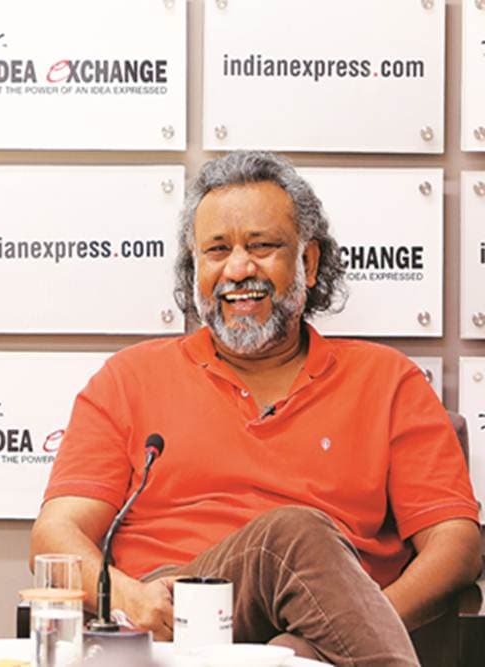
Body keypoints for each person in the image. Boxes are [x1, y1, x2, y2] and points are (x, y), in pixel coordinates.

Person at [31, 151, 481, 666]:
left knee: (293, 643)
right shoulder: (129, 377)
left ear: (308, 263)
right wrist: (128, 598)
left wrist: (346, 625)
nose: (239, 269)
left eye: (262, 246)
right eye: (217, 250)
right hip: (178, 614)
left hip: (326, 621)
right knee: (290, 536)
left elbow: (456, 543)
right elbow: (54, 535)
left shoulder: (388, 379)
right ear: (196, 267)